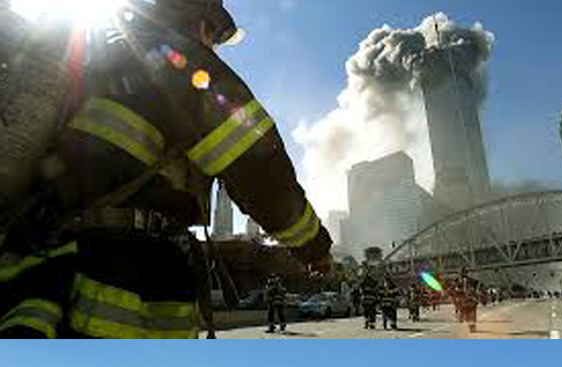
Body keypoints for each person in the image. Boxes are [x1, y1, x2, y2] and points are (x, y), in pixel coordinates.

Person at [0, 0, 332, 339]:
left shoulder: (97, 60)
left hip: (36, 266)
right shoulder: (184, 65)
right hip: (119, 271)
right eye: (216, 37)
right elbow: (260, 170)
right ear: (205, 24)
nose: (214, 47)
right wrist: (314, 247)